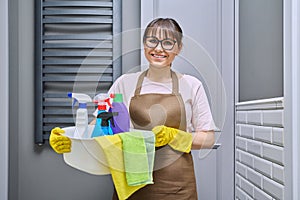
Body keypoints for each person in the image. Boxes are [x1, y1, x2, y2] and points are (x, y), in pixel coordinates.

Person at [50, 18, 216, 200]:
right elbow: (98, 127)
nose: (159, 49)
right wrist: (72, 143)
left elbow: (208, 138)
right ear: (144, 44)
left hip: (178, 188)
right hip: (132, 186)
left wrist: (176, 136)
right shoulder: (124, 83)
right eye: (152, 41)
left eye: (168, 43)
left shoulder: (192, 85)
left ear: (178, 48)